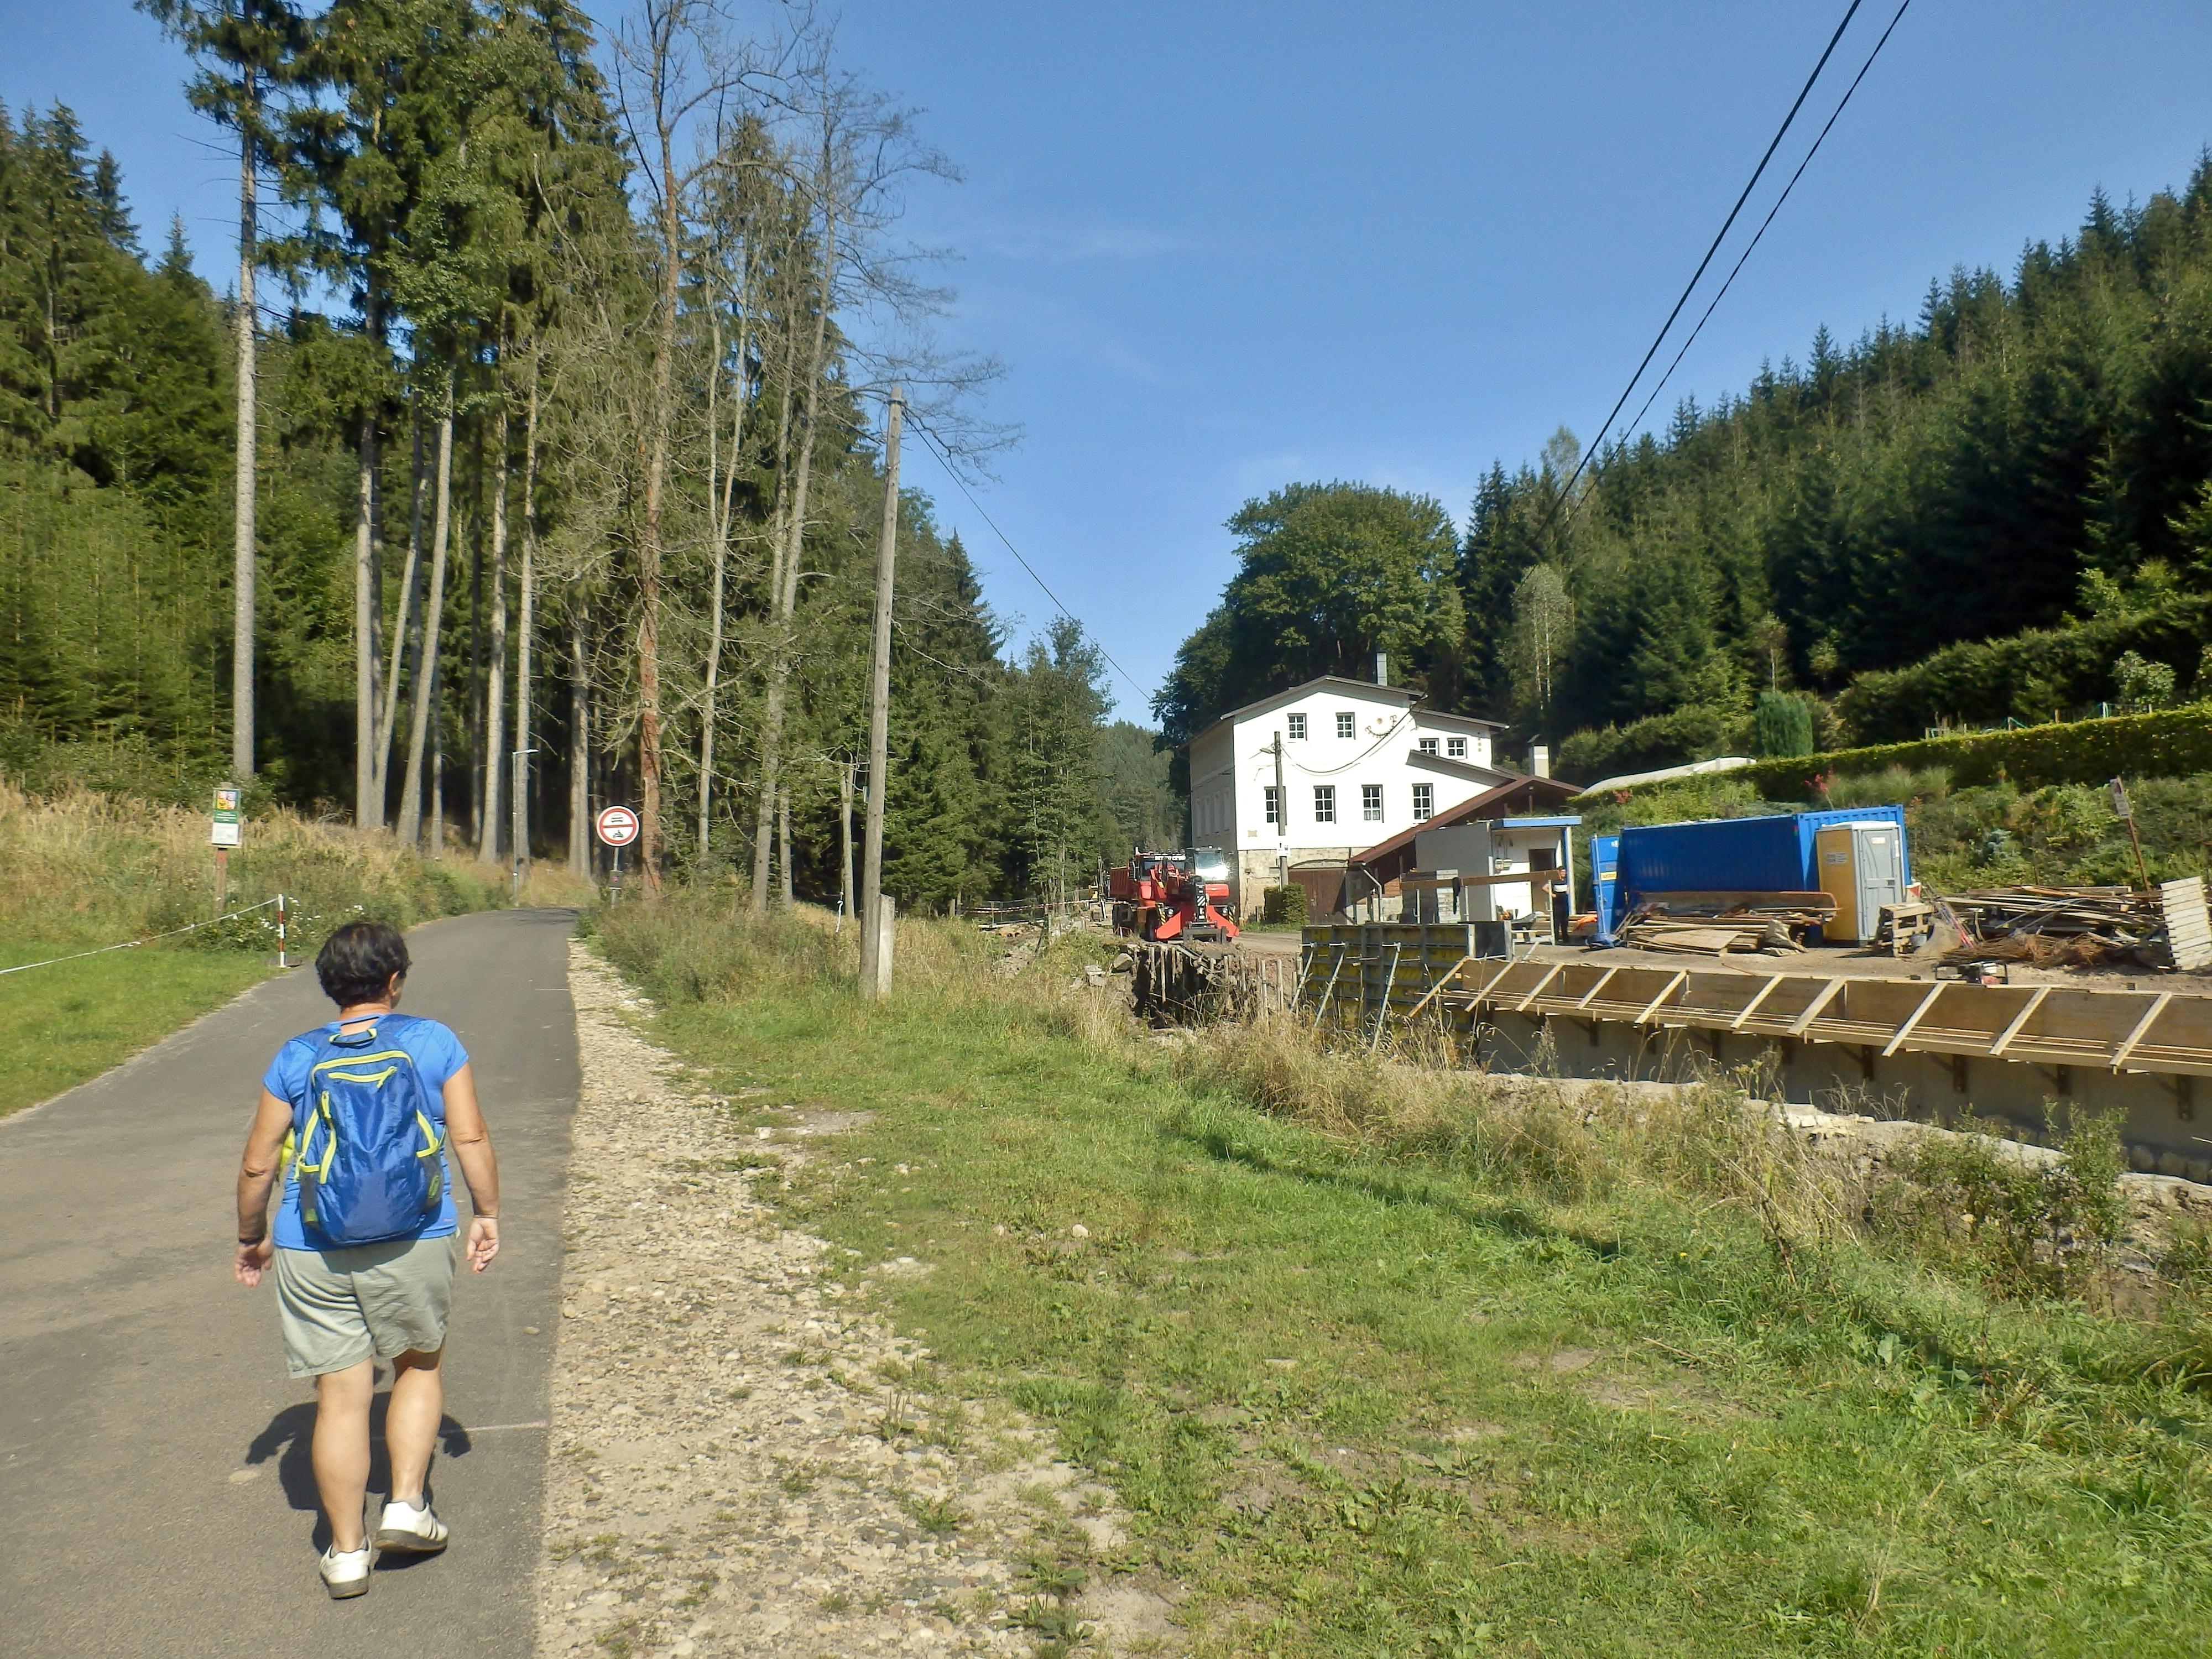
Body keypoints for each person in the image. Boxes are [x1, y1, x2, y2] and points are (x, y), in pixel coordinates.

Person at [233, 919, 501, 1600]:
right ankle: (407, 1505)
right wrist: (486, 1212)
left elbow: (259, 1164)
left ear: (329, 986)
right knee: (416, 1364)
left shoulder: (296, 1057)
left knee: (341, 1395)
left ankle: (347, 1553)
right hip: (414, 1231)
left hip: (310, 1239)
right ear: (395, 980)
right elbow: (467, 1133)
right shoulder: (433, 1041)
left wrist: (250, 1236)